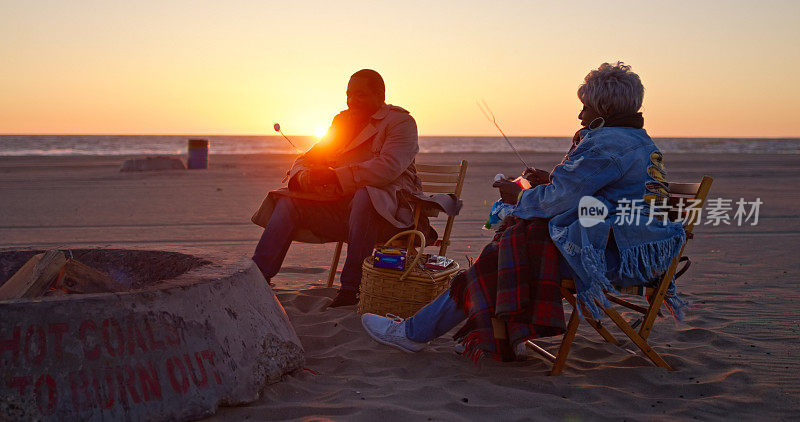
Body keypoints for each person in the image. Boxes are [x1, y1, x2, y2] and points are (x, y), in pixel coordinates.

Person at [362, 62, 686, 361]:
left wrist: (519, 197)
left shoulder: (605, 144)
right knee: (514, 245)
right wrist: (549, 181)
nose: (580, 115)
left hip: (611, 259)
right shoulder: (640, 141)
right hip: (640, 251)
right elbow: (589, 193)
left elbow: (561, 200)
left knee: (504, 253)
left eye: (585, 106)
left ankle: (415, 333)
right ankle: (499, 333)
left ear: (603, 108)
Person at [251, 69, 423, 307]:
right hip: (340, 212)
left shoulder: (401, 122)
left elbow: (387, 168)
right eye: (349, 95)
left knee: (366, 196)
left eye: (360, 95)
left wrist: (333, 177)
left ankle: (352, 289)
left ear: (380, 95)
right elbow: (310, 157)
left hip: (389, 218)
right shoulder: (342, 122)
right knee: (288, 201)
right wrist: (302, 177)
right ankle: (257, 278)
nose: (352, 101)